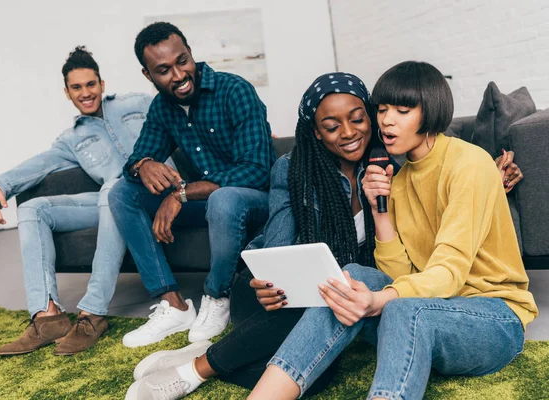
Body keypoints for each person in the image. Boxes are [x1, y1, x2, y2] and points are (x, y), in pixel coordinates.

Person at [247, 61, 538, 400]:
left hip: (493, 317)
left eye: (402, 110)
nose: (386, 120)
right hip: (427, 310)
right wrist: (379, 212)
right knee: (348, 280)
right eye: (382, 109)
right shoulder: (396, 180)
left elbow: (450, 272)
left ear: (430, 112)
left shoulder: (469, 164)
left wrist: (380, 301)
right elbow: (400, 274)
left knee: (400, 307)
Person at [124, 72, 392, 400]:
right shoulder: (294, 168)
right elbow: (278, 246)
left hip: (335, 304)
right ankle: (192, 371)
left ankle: (209, 355)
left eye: (357, 119)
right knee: (311, 307)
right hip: (270, 301)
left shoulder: (387, 168)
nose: (349, 133)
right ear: (317, 133)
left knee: (320, 376)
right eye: (333, 126)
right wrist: (268, 283)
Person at [108, 22, 276, 347]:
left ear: (190, 52)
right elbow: (137, 159)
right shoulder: (162, 108)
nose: (178, 74)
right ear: (148, 76)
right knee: (122, 193)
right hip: (208, 204)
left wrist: (181, 194)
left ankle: (216, 296)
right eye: (164, 70)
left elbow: (258, 171)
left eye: (182, 60)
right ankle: (173, 304)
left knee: (224, 199)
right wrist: (144, 165)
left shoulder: (235, 90)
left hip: (252, 202)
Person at [0, 46, 153, 356]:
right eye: (76, 87)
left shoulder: (139, 103)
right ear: (67, 93)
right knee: (33, 209)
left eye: (91, 84)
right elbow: (39, 164)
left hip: (153, 192)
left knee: (113, 189)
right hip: (111, 203)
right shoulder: (71, 138)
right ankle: (48, 316)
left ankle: (92, 314)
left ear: (102, 84)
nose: (85, 93)